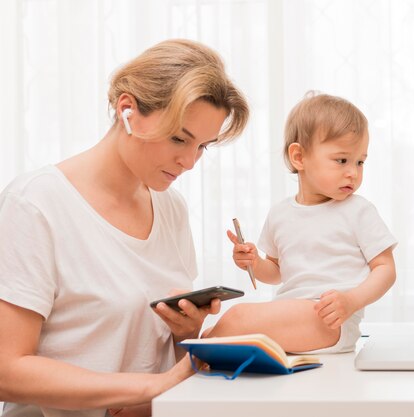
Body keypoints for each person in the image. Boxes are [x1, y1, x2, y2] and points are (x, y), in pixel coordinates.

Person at [0, 39, 248, 417]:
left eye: (203, 146)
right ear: (127, 110)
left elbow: (157, 355)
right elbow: (7, 369)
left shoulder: (171, 208)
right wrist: (148, 388)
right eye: (179, 138)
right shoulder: (36, 204)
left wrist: (185, 333)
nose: (189, 162)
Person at [204, 92, 396, 354]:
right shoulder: (281, 214)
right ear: (299, 157)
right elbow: (277, 271)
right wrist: (254, 263)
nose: (353, 171)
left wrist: (351, 301)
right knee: (235, 328)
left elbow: (386, 269)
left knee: (237, 319)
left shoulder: (358, 210)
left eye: (360, 162)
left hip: (330, 319)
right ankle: (206, 343)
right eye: (342, 160)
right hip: (292, 313)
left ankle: (201, 346)